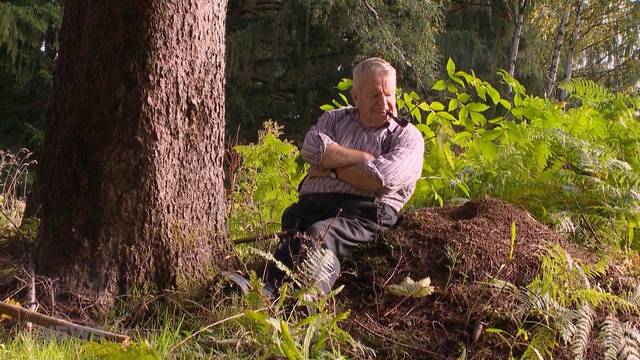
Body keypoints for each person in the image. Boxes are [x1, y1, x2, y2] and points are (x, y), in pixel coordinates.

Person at [264, 57, 425, 295]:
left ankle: (306, 303)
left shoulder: (406, 136)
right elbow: (312, 148)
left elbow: (380, 179)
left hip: (364, 213)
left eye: (389, 95)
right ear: (355, 96)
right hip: (310, 207)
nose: (385, 103)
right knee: (292, 240)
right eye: (374, 96)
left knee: (320, 236)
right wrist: (363, 158)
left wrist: (330, 169)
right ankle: (266, 295)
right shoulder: (334, 118)